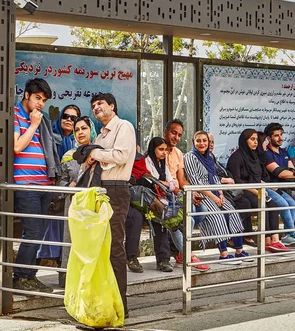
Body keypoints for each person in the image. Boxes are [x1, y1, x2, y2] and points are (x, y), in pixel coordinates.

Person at [88, 93, 136, 314]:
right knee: (100, 248)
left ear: (112, 106)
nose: (96, 107)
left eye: (100, 104)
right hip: (99, 190)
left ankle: (120, 305)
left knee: (115, 247)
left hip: (116, 190)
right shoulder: (100, 135)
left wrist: (95, 153)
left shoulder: (123, 127)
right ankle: (104, 302)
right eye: (93, 105)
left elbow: (121, 155)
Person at [12, 78, 60, 292]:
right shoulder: (16, 115)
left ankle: (30, 276)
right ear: (26, 96)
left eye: (44, 100)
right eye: (37, 98)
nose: (41, 103)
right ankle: (20, 276)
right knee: (31, 231)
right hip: (26, 184)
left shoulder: (42, 120)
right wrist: (32, 125)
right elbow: (17, 147)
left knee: (39, 233)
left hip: (44, 183)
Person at [183, 131, 252, 264]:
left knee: (232, 213)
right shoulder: (190, 157)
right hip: (202, 194)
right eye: (198, 141)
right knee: (217, 216)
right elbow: (196, 182)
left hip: (215, 192)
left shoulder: (209, 156)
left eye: (204, 140)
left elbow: (215, 177)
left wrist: (220, 193)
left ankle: (239, 250)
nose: (202, 143)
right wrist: (213, 197)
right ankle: (224, 254)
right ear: (193, 142)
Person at [226, 129, 290, 253]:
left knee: (273, 205)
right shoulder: (236, 157)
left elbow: (257, 177)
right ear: (244, 141)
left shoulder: (254, 156)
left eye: (256, 139)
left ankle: (275, 241)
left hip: (256, 190)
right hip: (242, 191)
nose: (255, 142)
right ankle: (266, 241)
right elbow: (237, 181)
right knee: (263, 205)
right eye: (252, 139)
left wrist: (263, 187)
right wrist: (256, 191)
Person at [162, 119, 209, 270]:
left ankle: (182, 253)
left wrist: (192, 192)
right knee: (188, 214)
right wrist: (179, 191)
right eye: (173, 133)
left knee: (202, 210)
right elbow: (158, 179)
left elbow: (181, 180)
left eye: (179, 135)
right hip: (165, 194)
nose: (176, 137)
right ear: (165, 132)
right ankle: (187, 253)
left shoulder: (178, 153)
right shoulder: (158, 149)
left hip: (179, 192)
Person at [38, 104, 82, 266]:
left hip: (71, 193)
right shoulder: (50, 136)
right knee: (49, 229)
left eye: (74, 118)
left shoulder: (77, 142)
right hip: (53, 190)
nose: (69, 120)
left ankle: (62, 265)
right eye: (66, 116)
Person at [57, 115, 97, 286]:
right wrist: (71, 185)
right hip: (73, 203)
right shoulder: (68, 156)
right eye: (77, 129)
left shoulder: (99, 152)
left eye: (84, 128)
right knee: (70, 239)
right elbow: (60, 182)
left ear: (91, 131)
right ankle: (67, 276)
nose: (80, 132)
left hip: (94, 205)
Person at [125, 138, 175, 273]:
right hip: (129, 198)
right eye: (161, 149)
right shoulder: (126, 159)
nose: (164, 153)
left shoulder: (141, 160)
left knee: (160, 216)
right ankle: (131, 258)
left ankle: (164, 259)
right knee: (135, 218)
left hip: (147, 198)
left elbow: (170, 184)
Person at [263, 123, 295, 246]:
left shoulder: (283, 152)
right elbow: (278, 173)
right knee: (286, 205)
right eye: (277, 136)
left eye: (281, 135)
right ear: (269, 138)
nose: (281, 138)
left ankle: (288, 235)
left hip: (284, 187)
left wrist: (293, 173)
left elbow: (291, 169)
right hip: (272, 187)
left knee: (293, 203)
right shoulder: (267, 153)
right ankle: (292, 233)